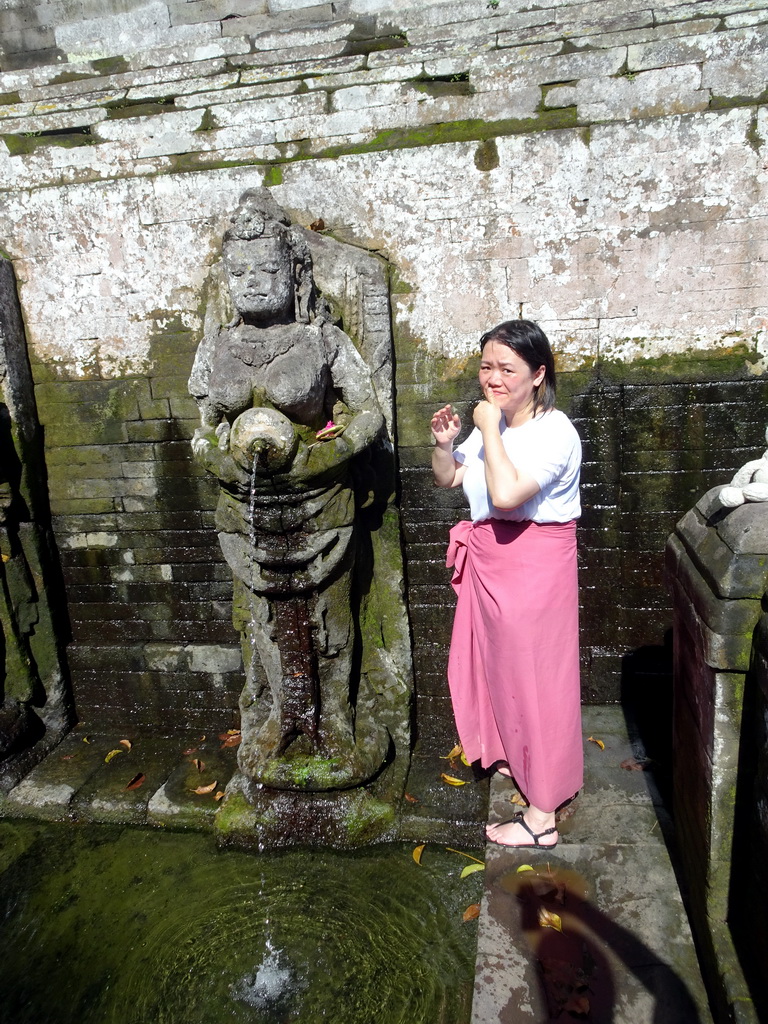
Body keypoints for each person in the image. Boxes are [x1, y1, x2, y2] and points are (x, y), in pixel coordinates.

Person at [431, 319, 582, 848]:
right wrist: (447, 444)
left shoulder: (554, 431)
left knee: (539, 681)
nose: (492, 378)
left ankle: (542, 818)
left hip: (533, 561)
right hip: (491, 556)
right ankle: (512, 757)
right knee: (492, 666)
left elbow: (509, 493)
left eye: (506, 369)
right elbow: (450, 479)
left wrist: (490, 428)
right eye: (486, 366)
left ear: (538, 374)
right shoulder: (491, 425)